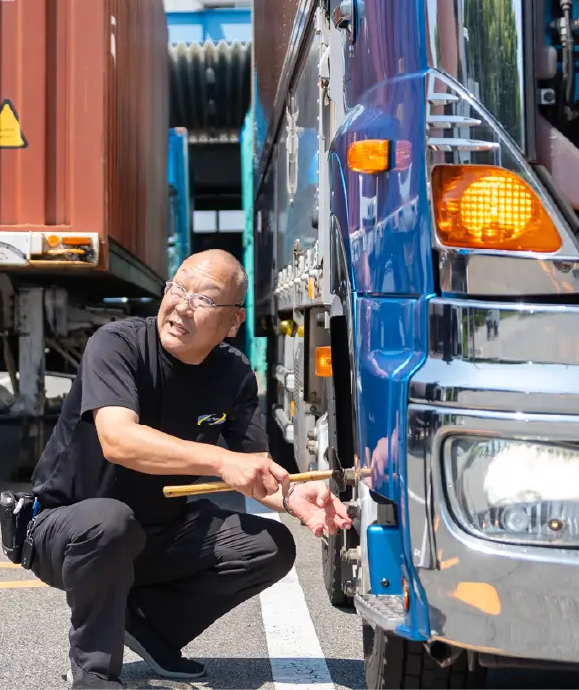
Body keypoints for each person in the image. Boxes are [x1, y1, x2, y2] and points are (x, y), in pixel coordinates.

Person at [27, 249, 355, 689]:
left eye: (203, 299)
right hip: (64, 529)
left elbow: (253, 468)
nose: (182, 305)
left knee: (269, 546)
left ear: (233, 322)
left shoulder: (233, 374)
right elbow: (118, 440)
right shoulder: (117, 344)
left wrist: (294, 495)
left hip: (156, 534)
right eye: (178, 287)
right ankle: (94, 674)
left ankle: (144, 626)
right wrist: (221, 460)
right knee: (110, 522)